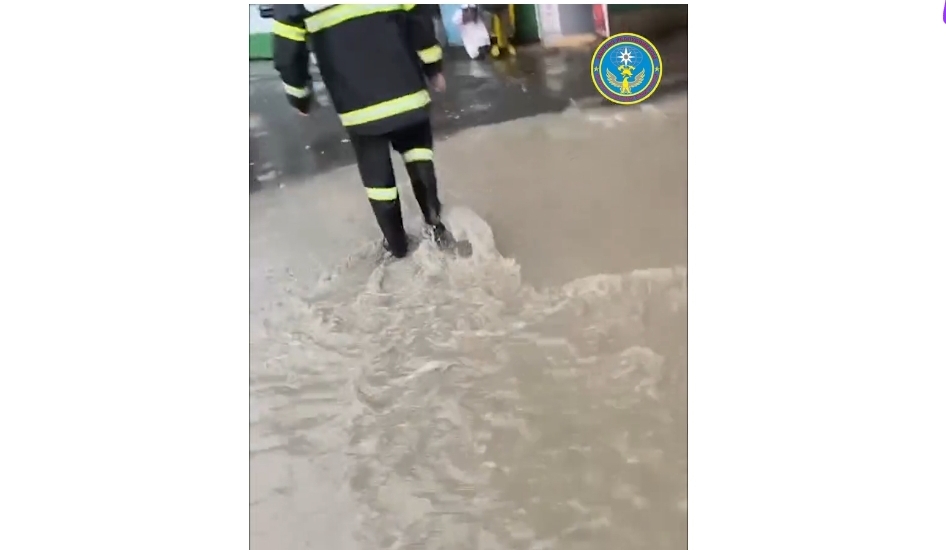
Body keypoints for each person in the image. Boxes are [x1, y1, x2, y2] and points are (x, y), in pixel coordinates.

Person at [271, 4, 451, 258]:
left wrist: (300, 97)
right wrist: (433, 67)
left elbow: (287, 48)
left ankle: (397, 248)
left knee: (377, 176)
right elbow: (419, 17)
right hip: (406, 88)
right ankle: (436, 230)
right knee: (418, 155)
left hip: (357, 105)